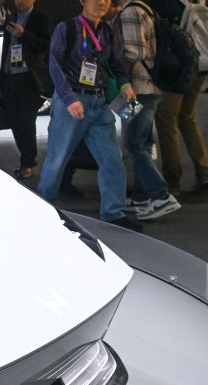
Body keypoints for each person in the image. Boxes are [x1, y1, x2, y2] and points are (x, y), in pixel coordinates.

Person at [36, 0, 141, 231]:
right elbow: (54, 64)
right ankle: (42, 210)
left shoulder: (106, 30)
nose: (102, 2)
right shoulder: (67, 28)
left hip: (99, 101)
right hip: (71, 101)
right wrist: (68, 98)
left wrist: (124, 85)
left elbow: (116, 63)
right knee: (57, 158)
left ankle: (114, 212)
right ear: (82, 1)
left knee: (112, 158)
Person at [114, 0, 182, 220]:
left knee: (132, 142)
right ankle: (142, 196)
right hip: (147, 89)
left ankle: (161, 196)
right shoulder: (143, 8)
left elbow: (134, 52)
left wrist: (111, 61)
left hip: (140, 90)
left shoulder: (130, 11)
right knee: (140, 140)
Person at [153, 0, 208, 196]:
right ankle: (204, 172)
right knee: (186, 117)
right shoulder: (193, 2)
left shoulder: (161, 5)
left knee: (166, 121)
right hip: (200, 65)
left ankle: (172, 181)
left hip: (176, 69)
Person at [0, 0, 50, 179]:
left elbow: (45, 45)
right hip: (10, 74)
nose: (19, 1)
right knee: (15, 121)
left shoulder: (40, 18)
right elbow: (7, 48)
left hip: (29, 77)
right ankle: (27, 158)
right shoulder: (10, 17)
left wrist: (24, 34)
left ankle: (27, 161)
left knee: (27, 121)